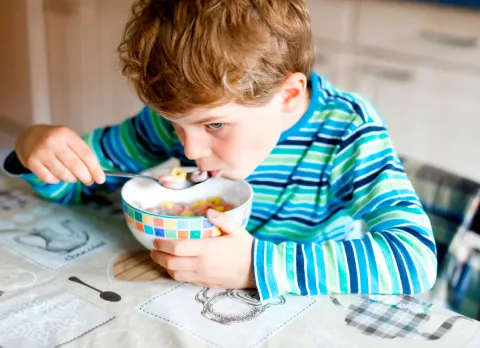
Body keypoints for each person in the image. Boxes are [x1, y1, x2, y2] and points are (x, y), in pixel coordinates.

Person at [2, 0, 437, 302]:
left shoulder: (347, 133)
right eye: (176, 126)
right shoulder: (174, 122)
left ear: (287, 95)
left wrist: (255, 265)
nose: (188, 148)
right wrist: (34, 150)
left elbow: (414, 259)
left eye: (215, 125)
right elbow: (78, 185)